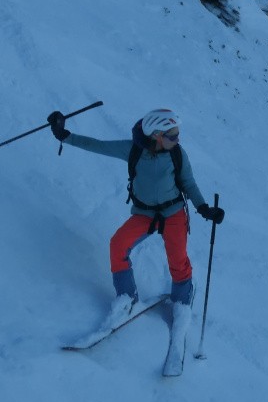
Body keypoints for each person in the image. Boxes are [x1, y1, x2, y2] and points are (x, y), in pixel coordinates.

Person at [48, 106, 224, 324]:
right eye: (172, 135)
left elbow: (188, 182)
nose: (177, 139)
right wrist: (64, 136)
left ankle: (182, 302)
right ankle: (127, 299)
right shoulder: (133, 150)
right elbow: (99, 146)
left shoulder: (177, 154)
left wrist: (203, 207)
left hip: (174, 214)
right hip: (144, 214)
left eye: (178, 134)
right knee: (118, 245)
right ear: (157, 135)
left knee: (178, 262)